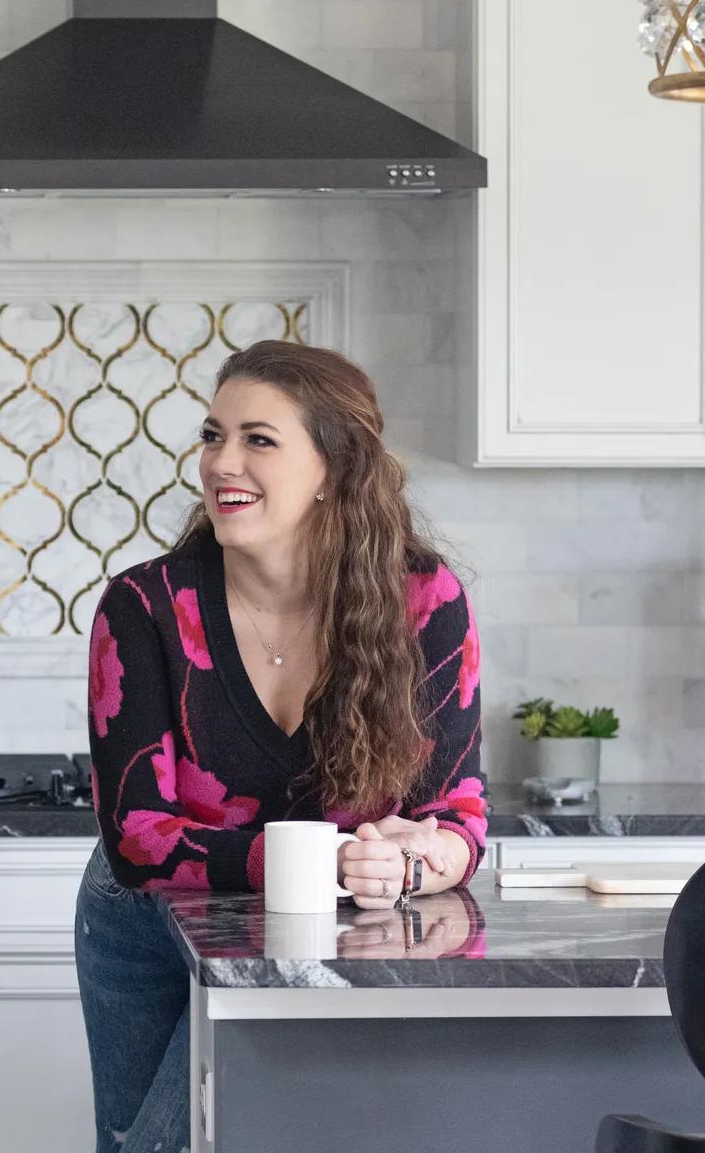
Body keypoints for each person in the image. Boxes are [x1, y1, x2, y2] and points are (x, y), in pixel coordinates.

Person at [75, 340, 487, 1153]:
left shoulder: (423, 599)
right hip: (150, 926)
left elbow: (460, 817)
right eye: (212, 435)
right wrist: (318, 861)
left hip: (331, 933)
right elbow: (138, 840)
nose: (221, 461)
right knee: (143, 1146)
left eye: (258, 439)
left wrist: (407, 863)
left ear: (334, 466)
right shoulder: (144, 605)